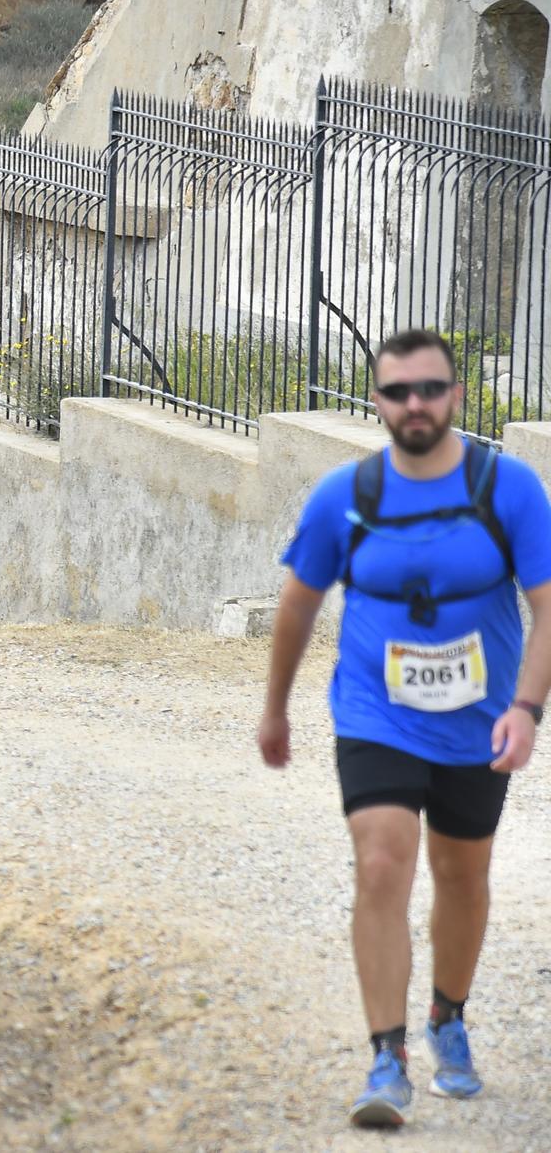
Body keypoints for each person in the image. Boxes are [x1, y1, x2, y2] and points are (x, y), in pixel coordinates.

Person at [259, 328, 550, 1129]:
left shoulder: (510, 489)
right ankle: (386, 1058)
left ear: (455, 396)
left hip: (478, 722)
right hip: (375, 713)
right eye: (397, 391)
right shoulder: (344, 496)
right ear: (377, 401)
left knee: (461, 874)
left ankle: (447, 1018)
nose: (414, 404)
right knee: (382, 861)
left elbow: (548, 606)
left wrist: (526, 709)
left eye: (429, 389)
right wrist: (276, 708)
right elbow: (296, 605)